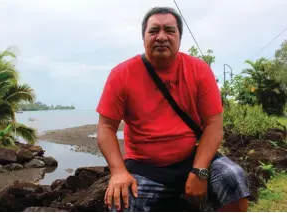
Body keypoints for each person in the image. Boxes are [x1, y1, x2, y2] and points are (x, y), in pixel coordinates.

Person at [96, 6, 250, 212]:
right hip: (144, 167)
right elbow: (106, 128)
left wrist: (200, 171)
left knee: (233, 177)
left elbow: (214, 124)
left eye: (169, 30)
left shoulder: (199, 70)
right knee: (122, 202)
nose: (161, 37)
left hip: (192, 159)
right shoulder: (121, 74)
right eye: (154, 31)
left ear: (179, 37)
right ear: (143, 38)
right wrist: (118, 172)